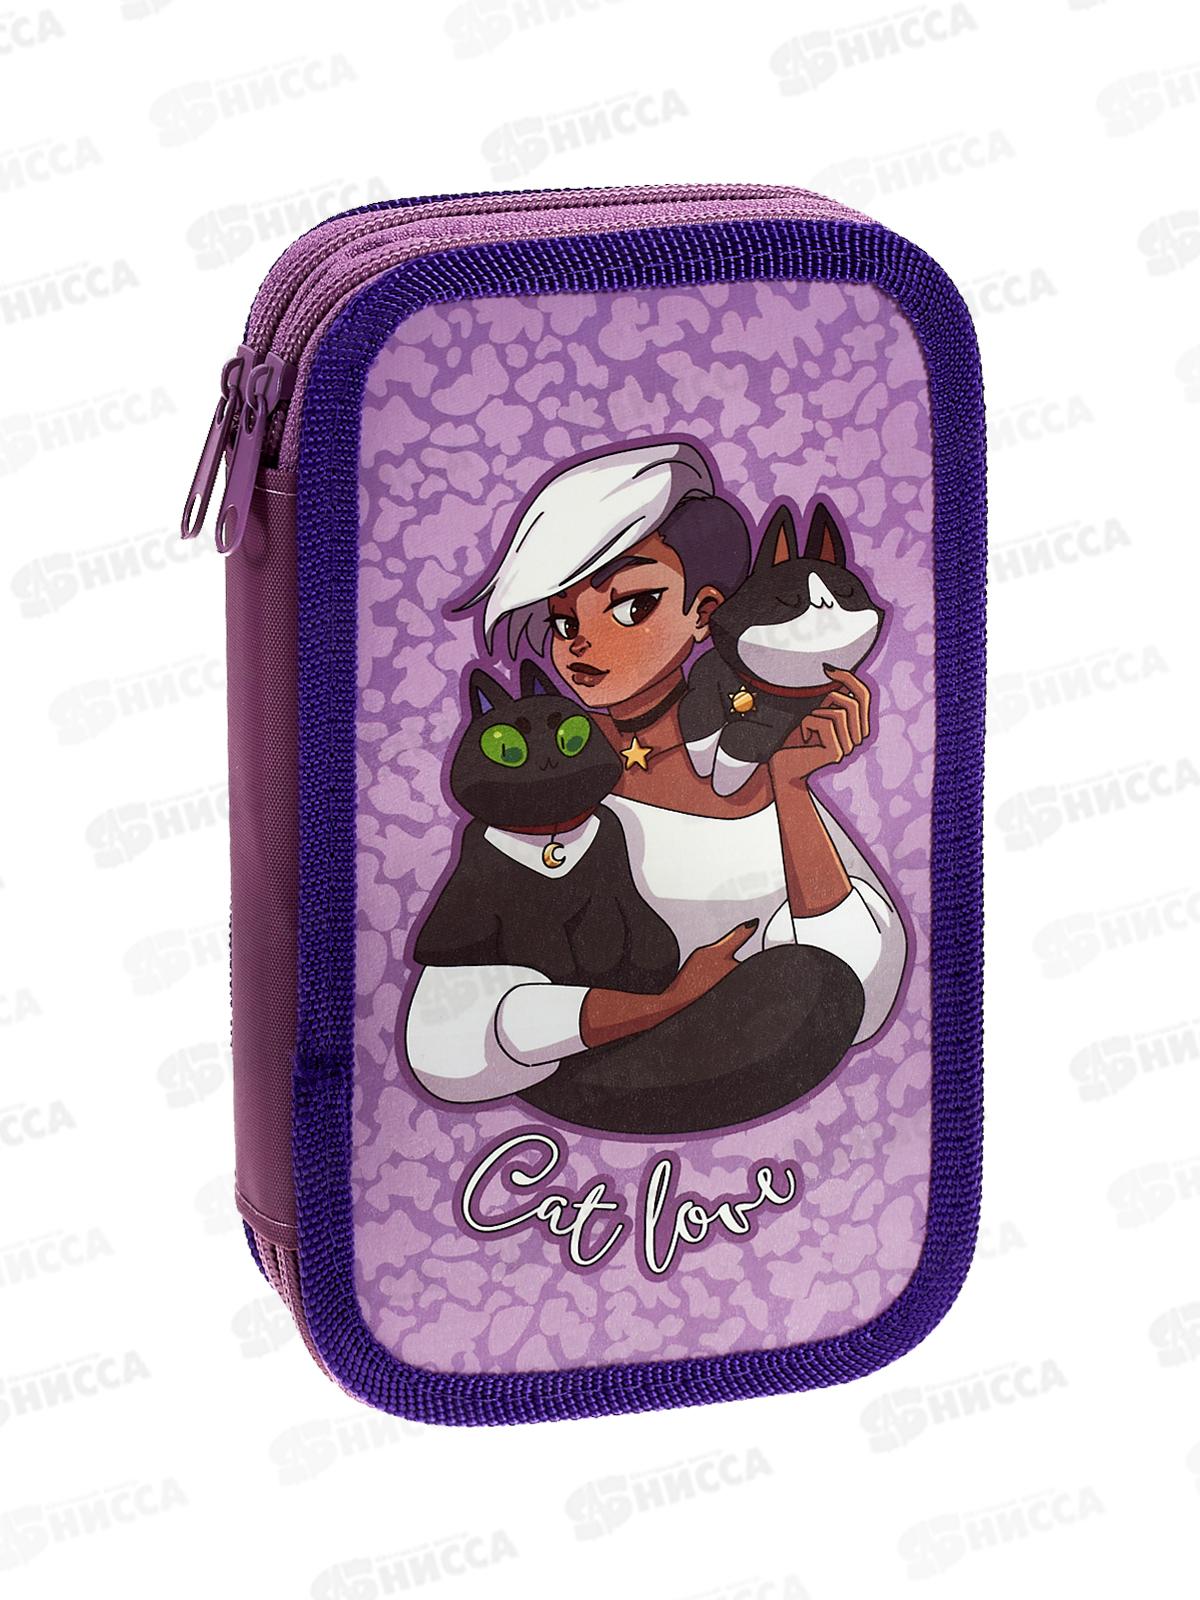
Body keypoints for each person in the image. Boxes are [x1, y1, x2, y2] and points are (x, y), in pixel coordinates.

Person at [404, 439, 907, 1134]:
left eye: (631, 606)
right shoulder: (544, 776)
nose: (579, 643)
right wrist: (663, 1003)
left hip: (746, 1054)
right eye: (562, 621)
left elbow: (856, 990)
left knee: (810, 987)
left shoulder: (753, 753)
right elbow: (447, 1042)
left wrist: (791, 787)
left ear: (706, 610)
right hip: (582, 1068)